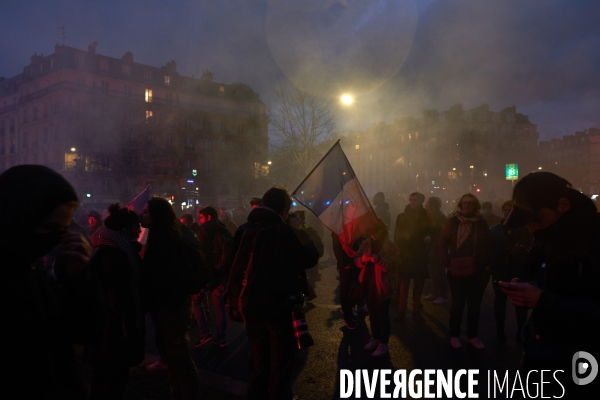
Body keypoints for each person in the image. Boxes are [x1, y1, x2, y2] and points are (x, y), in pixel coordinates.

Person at [1, 165, 103, 399]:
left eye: (64, 230)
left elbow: (86, 330)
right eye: (50, 228)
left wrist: (79, 277)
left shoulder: (30, 267)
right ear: (17, 215)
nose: (58, 239)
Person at [500, 172, 600, 396]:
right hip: (540, 356)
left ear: (563, 205)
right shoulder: (549, 234)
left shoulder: (594, 240)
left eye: (536, 219)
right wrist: (529, 290)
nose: (532, 229)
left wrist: (543, 300)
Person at [233, 186, 319, 400]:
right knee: (280, 366)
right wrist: (299, 230)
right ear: (284, 209)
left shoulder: (245, 229)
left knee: (258, 364)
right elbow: (309, 257)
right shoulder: (282, 231)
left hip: (251, 307)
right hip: (278, 308)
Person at [139, 198, 199, 400]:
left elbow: (177, 275)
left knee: (179, 356)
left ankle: (188, 394)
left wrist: (167, 302)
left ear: (157, 215)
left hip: (172, 307)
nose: (141, 215)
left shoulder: (167, 239)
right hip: (167, 305)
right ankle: (178, 394)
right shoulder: (161, 235)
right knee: (174, 356)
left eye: (146, 212)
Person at [88, 204, 145, 400]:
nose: (140, 230)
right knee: (114, 377)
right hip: (114, 330)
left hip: (107, 328)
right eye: (137, 226)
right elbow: (119, 296)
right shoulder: (116, 255)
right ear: (124, 230)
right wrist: (128, 324)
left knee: (104, 375)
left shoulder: (109, 248)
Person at [438, 193, 494, 350]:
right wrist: (447, 263)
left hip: (477, 271)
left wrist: (487, 267)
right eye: (464, 203)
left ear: (475, 205)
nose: (467, 205)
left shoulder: (481, 223)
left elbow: (490, 245)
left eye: (470, 203)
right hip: (456, 270)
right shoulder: (452, 222)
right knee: (457, 304)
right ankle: (454, 335)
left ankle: (472, 336)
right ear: (460, 205)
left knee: (474, 306)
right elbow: (441, 244)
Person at [355, 218, 401, 357]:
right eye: (370, 230)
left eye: (374, 230)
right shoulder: (366, 243)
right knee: (373, 314)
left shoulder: (390, 246)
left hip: (383, 285)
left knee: (382, 315)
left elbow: (394, 266)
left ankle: (383, 343)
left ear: (381, 229)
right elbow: (356, 260)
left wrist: (379, 260)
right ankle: (375, 338)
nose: (371, 233)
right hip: (368, 283)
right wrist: (362, 260)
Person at [490, 200, 531, 343]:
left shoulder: (525, 229)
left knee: (520, 305)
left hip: (518, 271)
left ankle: (521, 331)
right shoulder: (495, 230)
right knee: (500, 305)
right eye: (506, 210)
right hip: (500, 271)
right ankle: (500, 332)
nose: (507, 212)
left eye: (510, 210)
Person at [193, 205, 231, 348]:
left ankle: (204, 333)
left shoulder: (204, 230)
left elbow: (203, 255)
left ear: (208, 217)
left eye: (201, 217)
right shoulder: (223, 227)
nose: (199, 219)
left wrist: (202, 276)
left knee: (196, 301)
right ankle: (222, 338)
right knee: (219, 305)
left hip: (210, 273)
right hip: (223, 272)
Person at [394, 192, 431, 318]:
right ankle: (402, 309)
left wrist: (429, 238)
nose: (413, 202)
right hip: (406, 254)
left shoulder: (426, 216)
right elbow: (397, 236)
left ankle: (415, 309)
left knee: (418, 283)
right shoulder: (402, 216)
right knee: (404, 283)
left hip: (420, 254)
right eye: (411, 199)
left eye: (415, 200)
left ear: (420, 201)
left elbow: (432, 231)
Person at [423, 196, 449, 305]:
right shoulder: (432, 215)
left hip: (438, 249)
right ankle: (435, 292)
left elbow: (442, 234)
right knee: (433, 271)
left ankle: (443, 295)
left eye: (428, 203)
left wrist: (431, 238)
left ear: (433, 205)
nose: (426, 204)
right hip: (433, 248)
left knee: (439, 272)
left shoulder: (439, 217)